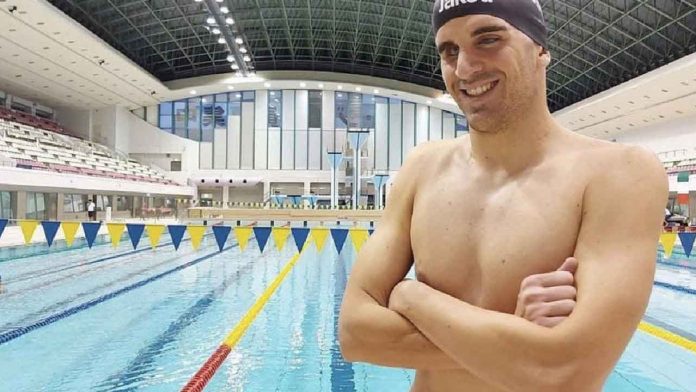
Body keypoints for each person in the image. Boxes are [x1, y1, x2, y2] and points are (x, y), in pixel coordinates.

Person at [338, 1, 667, 391]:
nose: (464, 68)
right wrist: (518, 334)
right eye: (449, 51)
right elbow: (355, 335)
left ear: (541, 49)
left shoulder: (620, 174)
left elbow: (566, 373)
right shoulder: (422, 168)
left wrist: (411, 297)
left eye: (489, 39)